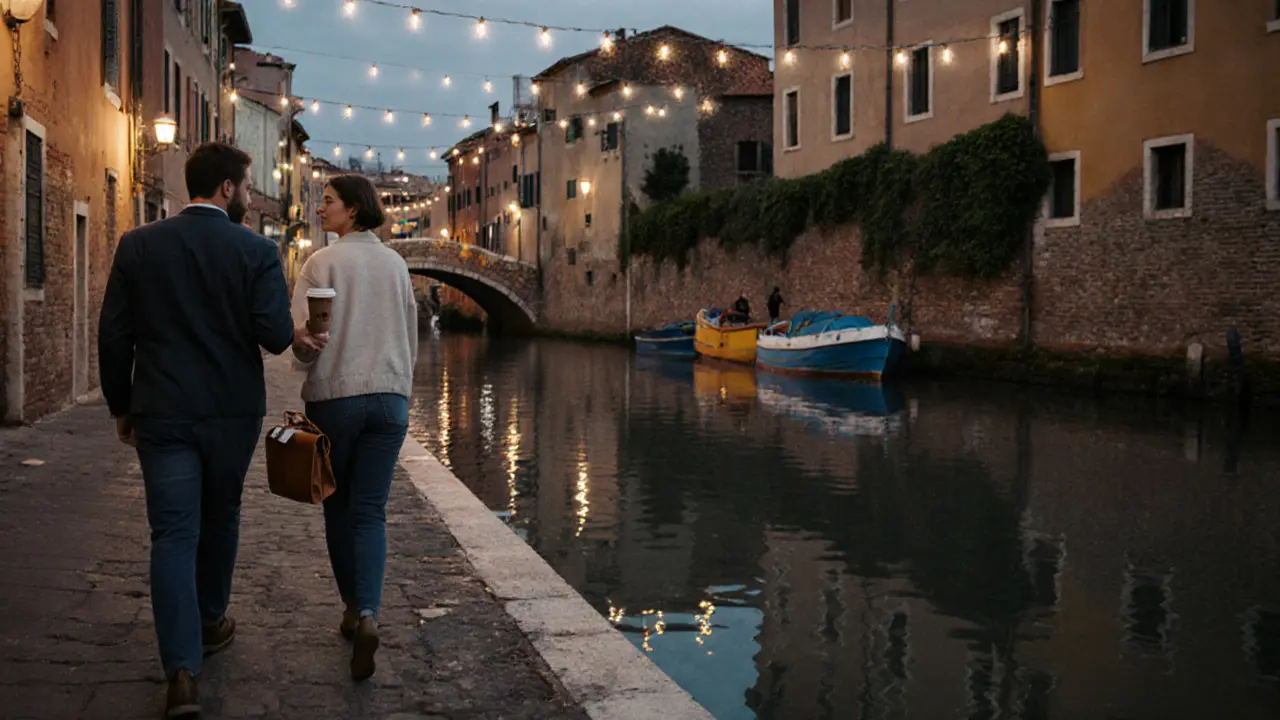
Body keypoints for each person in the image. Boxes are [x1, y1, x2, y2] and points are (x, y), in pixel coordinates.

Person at [98, 142, 294, 718]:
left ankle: (181, 670)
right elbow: (277, 336)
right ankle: (211, 622)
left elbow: (114, 336)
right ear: (229, 189)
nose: (252, 195)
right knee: (222, 514)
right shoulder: (257, 250)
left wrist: (121, 405)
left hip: (160, 409)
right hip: (232, 412)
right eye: (249, 185)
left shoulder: (138, 244)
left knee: (172, 533)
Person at [290, 174, 418, 681]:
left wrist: (304, 350)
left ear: (354, 210)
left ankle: (351, 609)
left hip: (337, 400)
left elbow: (302, 344)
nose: (320, 210)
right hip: (391, 401)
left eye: (328, 202)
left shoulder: (321, 263)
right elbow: (409, 335)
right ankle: (367, 613)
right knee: (371, 512)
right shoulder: (396, 264)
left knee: (338, 507)